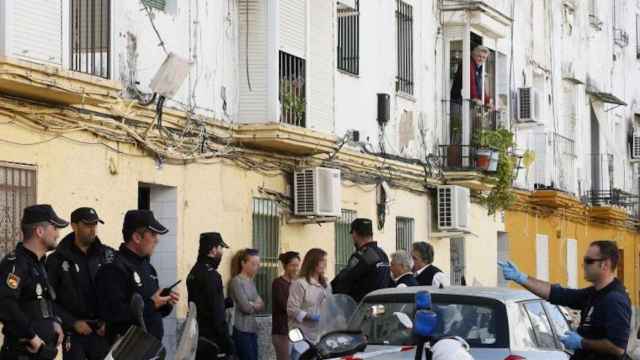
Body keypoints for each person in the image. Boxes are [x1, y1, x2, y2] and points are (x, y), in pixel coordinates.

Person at [499, 240, 631, 360]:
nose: (583, 265)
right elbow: (556, 293)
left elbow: (618, 348)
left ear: (605, 265)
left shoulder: (614, 299)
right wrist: (521, 278)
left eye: (588, 261)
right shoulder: (593, 293)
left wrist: (581, 342)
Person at [95, 209, 180, 344]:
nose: (156, 240)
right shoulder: (114, 268)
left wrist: (165, 303)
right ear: (136, 238)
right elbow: (113, 313)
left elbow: (150, 312)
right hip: (127, 350)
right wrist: (152, 304)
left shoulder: (148, 267)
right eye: (152, 234)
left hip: (152, 348)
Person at [0, 204, 67, 359]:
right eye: (55, 228)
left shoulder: (39, 263)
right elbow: (5, 304)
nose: (58, 234)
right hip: (22, 353)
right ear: (39, 231)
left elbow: (40, 300)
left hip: (42, 353)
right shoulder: (16, 263)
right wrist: (32, 338)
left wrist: (54, 321)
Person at [46, 207, 113, 360]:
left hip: (102, 333)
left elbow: (116, 293)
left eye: (95, 225)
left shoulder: (107, 256)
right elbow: (48, 299)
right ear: (74, 226)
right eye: (87, 225)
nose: (92, 230)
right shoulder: (56, 260)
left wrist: (108, 322)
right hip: (74, 335)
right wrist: (73, 323)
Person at [187, 232, 234, 359]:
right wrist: (227, 342)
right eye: (221, 248)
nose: (222, 252)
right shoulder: (212, 276)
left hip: (197, 338)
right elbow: (217, 314)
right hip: (213, 341)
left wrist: (223, 303)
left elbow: (203, 303)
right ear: (213, 249)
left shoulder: (194, 271)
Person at [331, 218, 390, 302]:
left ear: (355, 234)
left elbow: (345, 279)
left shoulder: (362, 255)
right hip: (380, 307)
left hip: (363, 308)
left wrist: (330, 289)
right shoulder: (383, 255)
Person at [288, 249, 332, 360]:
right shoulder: (300, 283)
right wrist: (309, 316)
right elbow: (291, 309)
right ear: (312, 262)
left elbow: (331, 305)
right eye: (321, 260)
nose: (324, 264)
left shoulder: (326, 285)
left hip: (320, 336)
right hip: (302, 337)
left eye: (325, 261)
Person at [229, 248, 263, 360]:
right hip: (241, 330)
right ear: (243, 263)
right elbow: (246, 308)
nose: (256, 267)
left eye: (258, 264)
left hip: (252, 330)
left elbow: (262, 304)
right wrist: (254, 304)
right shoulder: (236, 281)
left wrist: (252, 304)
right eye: (253, 264)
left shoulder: (251, 281)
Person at [272, 251, 301, 360]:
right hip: (282, 332)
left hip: (297, 332)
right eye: (292, 265)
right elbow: (286, 306)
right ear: (285, 266)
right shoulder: (278, 283)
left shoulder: (298, 283)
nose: (295, 268)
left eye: (297, 265)